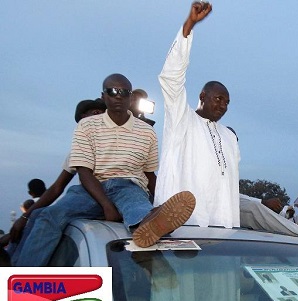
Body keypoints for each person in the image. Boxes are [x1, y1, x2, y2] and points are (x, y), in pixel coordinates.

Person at [13, 74, 196, 266]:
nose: (118, 96)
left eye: (124, 92)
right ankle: (21, 284)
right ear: (104, 96)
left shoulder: (147, 132)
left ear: (130, 97)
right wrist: (107, 205)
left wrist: (162, 200)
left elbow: (149, 175)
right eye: (113, 91)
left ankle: (158, 230)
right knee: (49, 216)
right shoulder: (87, 126)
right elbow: (84, 171)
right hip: (92, 188)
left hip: (129, 186)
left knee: (140, 212)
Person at [155, 1, 240, 228]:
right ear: (202, 95)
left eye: (227, 102)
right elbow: (172, 78)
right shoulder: (182, 119)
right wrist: (188, 26)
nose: (223, 105)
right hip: (182, 228)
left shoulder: (229, 137)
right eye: (218, 98)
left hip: (222, 229)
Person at [4, 98, 107, 258]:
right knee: (38, 215)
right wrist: (24, 217)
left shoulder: (117, 140)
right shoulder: (79, 149)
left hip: (109, 196)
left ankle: (24, 276)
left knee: (49, 216)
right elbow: (57, 187)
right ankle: (14, 264)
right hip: (89, 200)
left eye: (99, 114)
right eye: (82, 123)